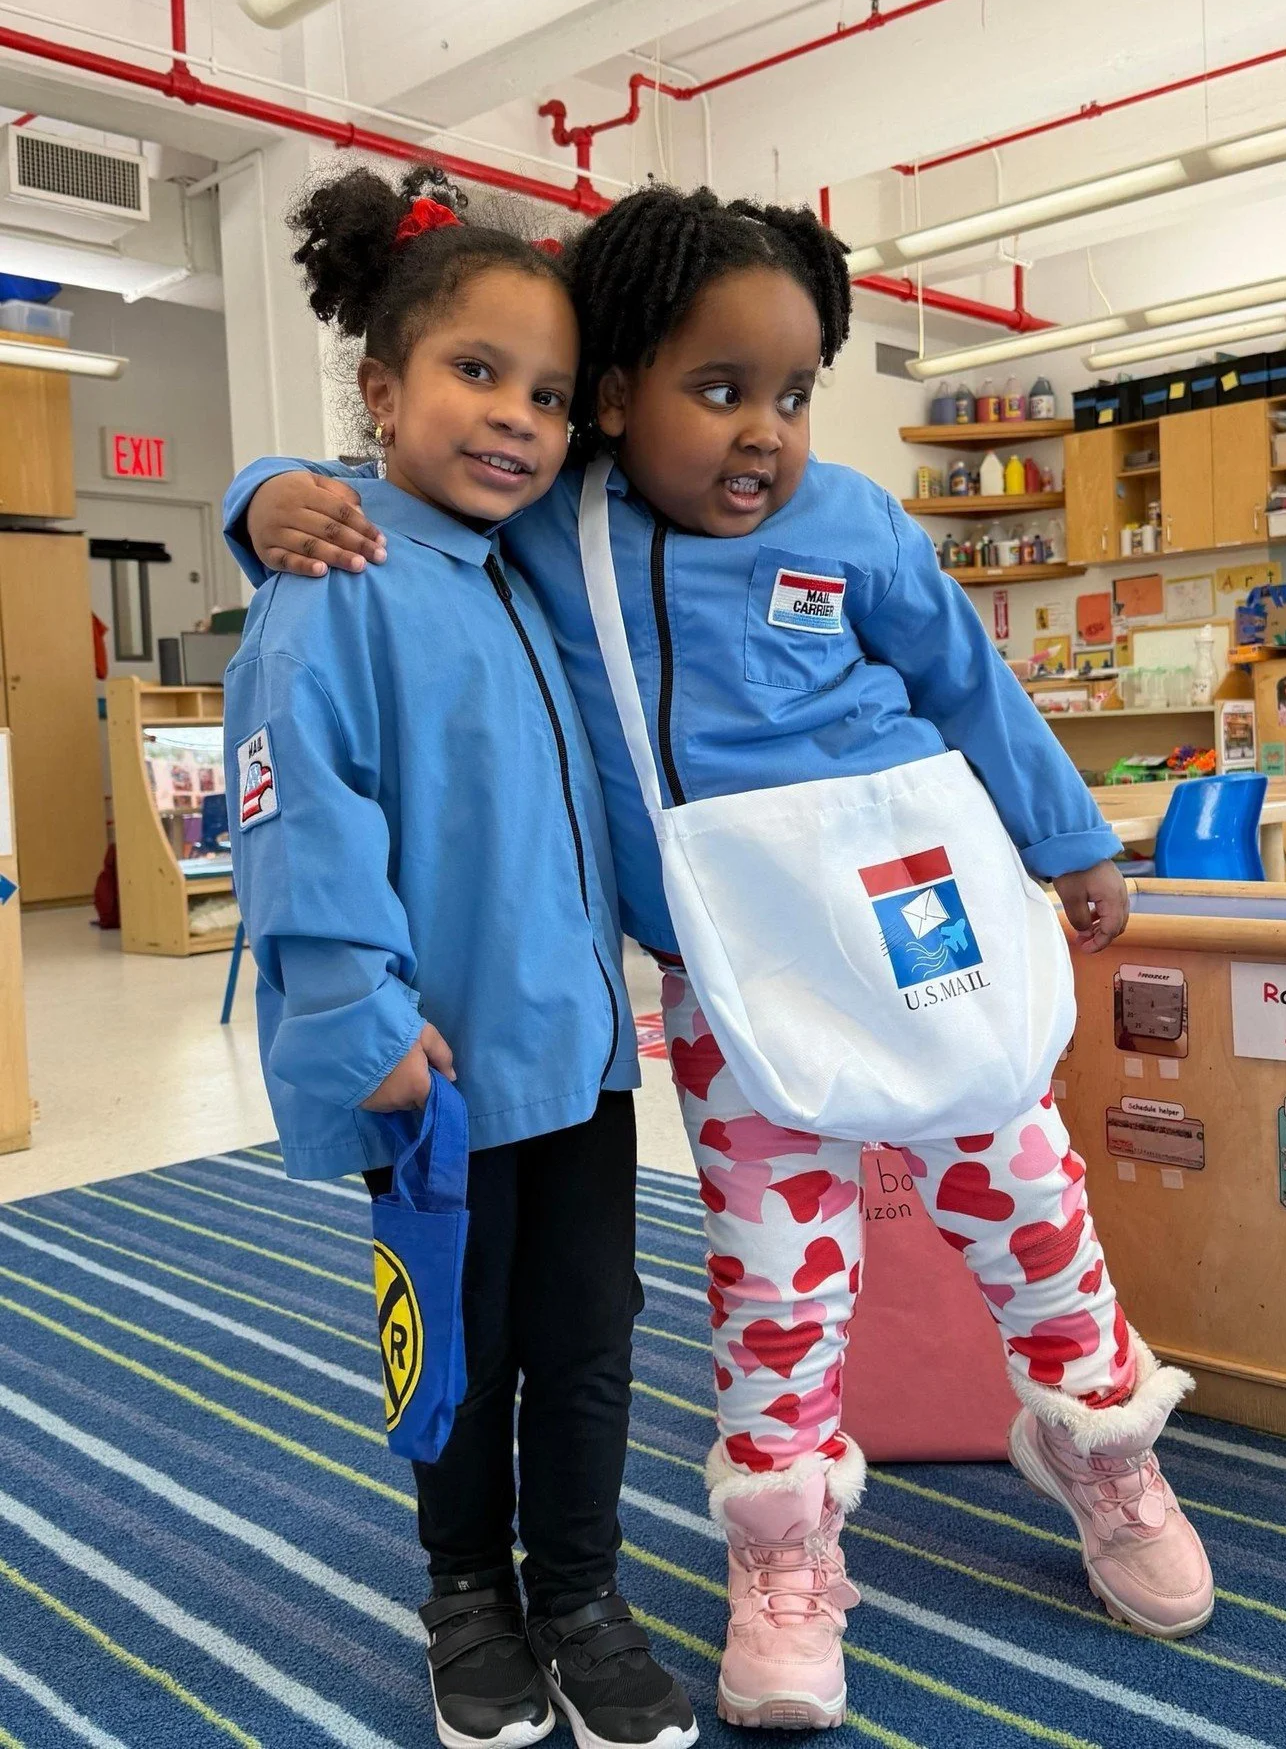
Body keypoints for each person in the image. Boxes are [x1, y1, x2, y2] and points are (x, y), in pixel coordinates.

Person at [226, 184, 1214, 1735]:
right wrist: (265, 490)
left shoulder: (848, 523)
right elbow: (404, 498)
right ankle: (783, 1552)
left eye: (796, 394)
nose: (764, 432)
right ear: (618, 402)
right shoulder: (551, 520)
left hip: (914, 933)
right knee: (771, 1273)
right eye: (718, 389)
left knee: (1026, 1203)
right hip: (730, 982)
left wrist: (1070, 838)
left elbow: (964, 673)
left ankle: (1107, 1449)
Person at [223, 164, 696, 1749]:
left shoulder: (536, 570)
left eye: (548, 394)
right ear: (382, 388)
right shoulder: (333, 582)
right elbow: (300, 806)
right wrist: (361, 1011)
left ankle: (578, 1586)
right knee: (458, 1349)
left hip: (580, 1059)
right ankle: (465, 1595)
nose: (513, 418)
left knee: (587, 1339)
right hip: (435, 1066)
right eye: (474, 372)